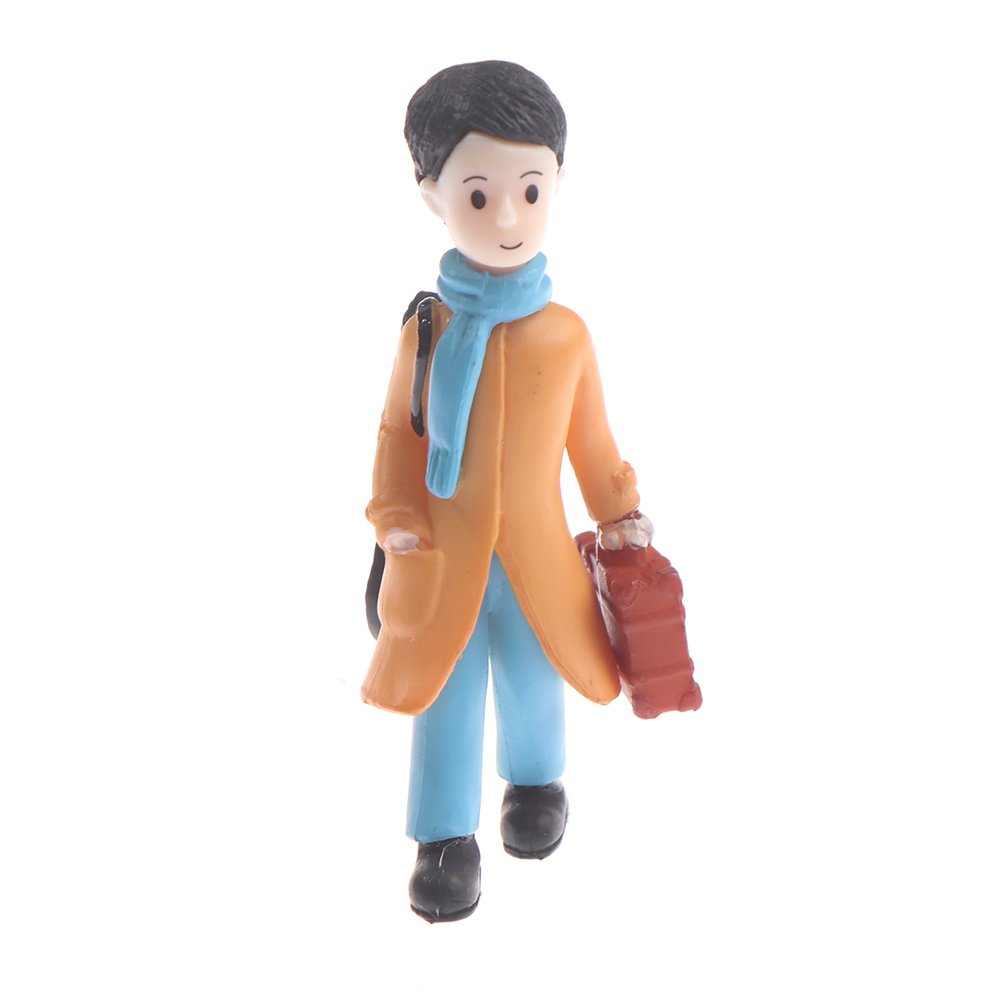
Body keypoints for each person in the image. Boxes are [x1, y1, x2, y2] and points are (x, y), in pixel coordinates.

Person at [363, 61, 653, 922]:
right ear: (434, 197)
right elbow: (398, 437)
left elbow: (592, 445)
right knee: (448, 694)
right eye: (479, 195)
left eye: (529, 190)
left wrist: (620, 512)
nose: (508, 218)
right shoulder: (426, 332)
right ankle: (444, 838)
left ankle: (535, 785)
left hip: (535, 556)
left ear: (557, 183)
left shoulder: (565, 338)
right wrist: (395, 515)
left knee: (535, 674)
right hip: (444, 556)